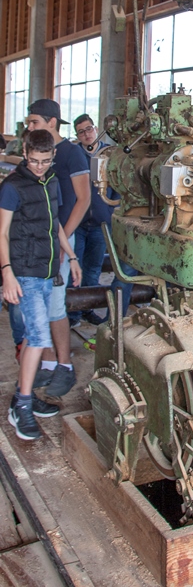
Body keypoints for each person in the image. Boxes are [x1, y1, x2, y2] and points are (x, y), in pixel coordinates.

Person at [0, 129, 82, 440]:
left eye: (45, 161)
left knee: (40, 333)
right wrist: (7, 273)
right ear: (25, 153)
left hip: (49, 271)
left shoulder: (51, 181)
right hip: (24, 272)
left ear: (53, 157)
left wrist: (72, 256)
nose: (39, 166)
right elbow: (2, 233)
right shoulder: (12, 187)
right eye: (34, 161)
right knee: (37, 336)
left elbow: (54, 223)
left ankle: (25, 394)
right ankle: (20, 406)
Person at [26, 99, 91, 396]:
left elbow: (83, 200)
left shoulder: (72, 153)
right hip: (41, 240)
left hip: (62, 239)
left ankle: (65, 365)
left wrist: (63, 240)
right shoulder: (42, 156)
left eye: (34, 122)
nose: (30, 128)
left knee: (54, 305)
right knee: (39, 303)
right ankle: (49, 362)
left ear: (52, 122)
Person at [68, 114, 119, 327]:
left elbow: (118, 184)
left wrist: (111, 208)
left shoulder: (110, 153)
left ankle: (87, 309)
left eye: (89, 129)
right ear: (77, 135)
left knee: (93, 268)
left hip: (100, 223)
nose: (86, 134)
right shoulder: (73, 154)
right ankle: (72, 314)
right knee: (75, 267)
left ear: (96, 129)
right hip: (78, 223)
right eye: (81, 132)